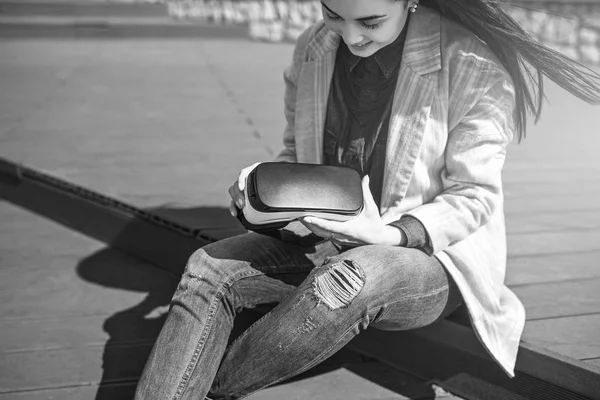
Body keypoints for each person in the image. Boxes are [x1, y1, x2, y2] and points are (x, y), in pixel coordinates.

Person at [134, 0, 600, 399]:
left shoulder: (472, 65)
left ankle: (208, 390)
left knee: (351, 277)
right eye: (334, 14)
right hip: (324, 236)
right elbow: (297, 154)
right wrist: (263, 193)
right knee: (209, 268)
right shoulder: (314, 47)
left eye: (371, 21)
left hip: (429, 259)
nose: (351, 36)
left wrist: (388, 233)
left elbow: (473, 198)